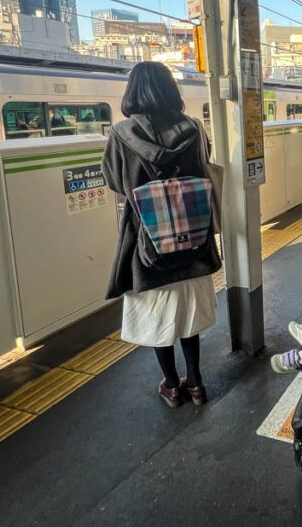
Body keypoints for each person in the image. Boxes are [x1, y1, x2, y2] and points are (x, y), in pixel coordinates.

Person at [102, 61, 222, 408]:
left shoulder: (121, 134)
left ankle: (171, 385)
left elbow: (113, 181)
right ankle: (196, 383)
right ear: (171, 90)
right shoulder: (194, 129)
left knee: (158, 316)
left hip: (147, 242)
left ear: (133, 91)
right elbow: (204, 165)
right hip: (193, 236)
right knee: (188, 314)